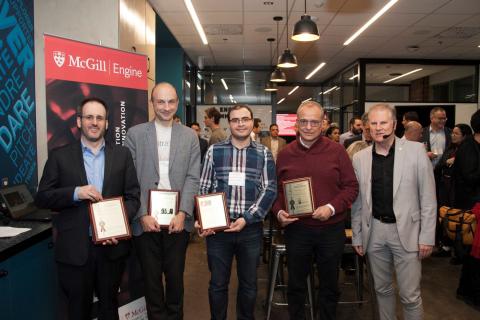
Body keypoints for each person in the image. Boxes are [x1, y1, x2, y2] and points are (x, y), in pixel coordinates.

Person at [35, 98, 141, 320]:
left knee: (109, 308)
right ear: (79, 121)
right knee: (78, 311)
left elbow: (133, 197)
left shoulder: (123, 155)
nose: (94, 122)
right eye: (89, 117)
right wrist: (75, 193)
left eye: (100, 118)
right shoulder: (59, 155)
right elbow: (42, 198)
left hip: (112, 249)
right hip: (75, 250)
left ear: (107, 123)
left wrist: (118, 226)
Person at [273, 101, 359, 320]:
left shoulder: (337, 151)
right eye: (304, 121)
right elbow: (276, 191)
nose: (309, 126)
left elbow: (351, 187)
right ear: (296, 124)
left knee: (330, 286)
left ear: (323, 124)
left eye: (314, 122)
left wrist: (331, 207)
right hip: (298, 231)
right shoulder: (285, 154)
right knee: (296, 285)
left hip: (331, 230)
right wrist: (279, 212)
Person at [351, 103, 436, 320]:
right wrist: (358, 235)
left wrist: (427, 237)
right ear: (368, 126)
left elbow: (428, 198)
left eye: (384, 123)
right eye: (374, 123)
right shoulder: (361, 158)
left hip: (408, 232)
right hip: (375, 232)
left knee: (410, 295)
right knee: (382, 290)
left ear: (395, 124)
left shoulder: (416, 151)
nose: (378, 128)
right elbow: (359, 201)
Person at [125, 83, 200, 320]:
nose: (166, 107)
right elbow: (130, 179)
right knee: (152, 282)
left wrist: (183, 212)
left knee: (176, 280)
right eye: (160, 102)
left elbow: (192, 177)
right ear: (151, 104)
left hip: (178, 221)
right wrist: (142, 214)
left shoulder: (190, 136)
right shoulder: (135, 134)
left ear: (177, 103)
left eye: (170, 102)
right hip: (146, 220)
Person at [197, 104, 277, 320]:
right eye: (235, 120)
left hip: (250, 230)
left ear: (252, 122)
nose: (240, 123)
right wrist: (204, 220)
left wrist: (246, 218)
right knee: (218, 285)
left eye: (245, 119)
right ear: (228, 123)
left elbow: (269, 190)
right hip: (218, 230)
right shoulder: (215, 151)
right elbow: (204, 188)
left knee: (249, 286)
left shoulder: (264, 153)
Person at [433, 124, 472, 264]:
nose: (453, 135)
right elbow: (438, 166)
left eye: (456, 133)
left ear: (465, 136)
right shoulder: (450, 148)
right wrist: (448, 162)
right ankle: (446, 246)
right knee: (445, 215)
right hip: (445, 185)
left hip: (458, 188)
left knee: (458, 217)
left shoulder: (468, 151)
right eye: (453, 133)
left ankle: (460, 250)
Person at [454, 110, 480, 309]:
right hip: (472, 206)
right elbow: (469, 177)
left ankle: (467, 290)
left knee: (474, 253)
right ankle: (471, 291)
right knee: (474, 252)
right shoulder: (469, 147)